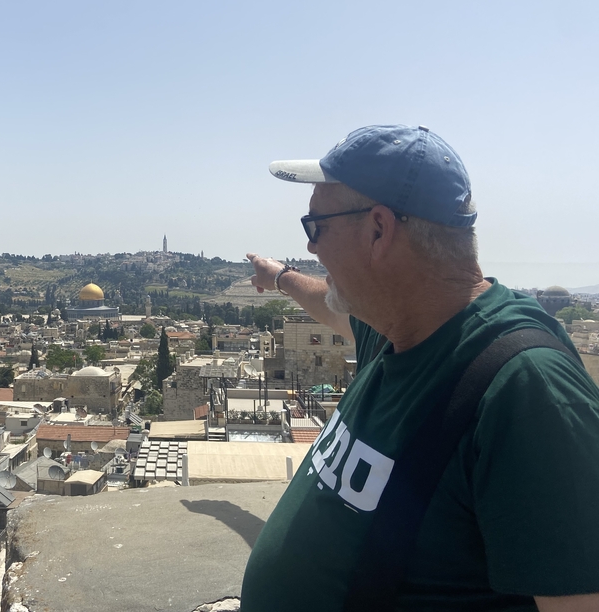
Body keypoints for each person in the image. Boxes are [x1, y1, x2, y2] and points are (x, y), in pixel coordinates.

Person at [241, 125, 599, 612]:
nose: (312, 248)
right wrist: (279, 276)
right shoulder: (398, 327)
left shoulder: (525, 388)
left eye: (316, 227)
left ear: (379, 229)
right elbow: (328, 304)